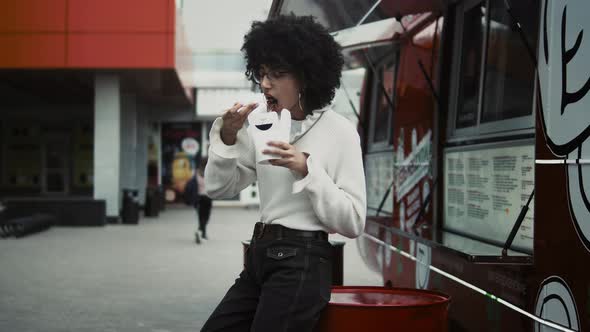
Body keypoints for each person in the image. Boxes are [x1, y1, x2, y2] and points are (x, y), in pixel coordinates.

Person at [201, 14, 366, 332]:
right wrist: (227, 139)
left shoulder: (340, 132)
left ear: (306, 77)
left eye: (276, 74)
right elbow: (218, 189)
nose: (265, 84)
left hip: (303, 260)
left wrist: (307, 168)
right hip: (258, 256)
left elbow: (353, 221)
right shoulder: (261, 124)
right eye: (262, 73)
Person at [196, 160, 212, 240]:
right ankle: (202, 232)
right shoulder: (209, 172)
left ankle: (201, 231)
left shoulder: (197, 173)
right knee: (206, 216)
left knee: (200, 215)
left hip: (199, 197)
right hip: (208, 197)